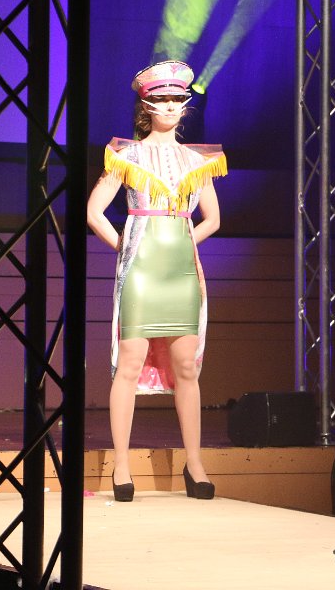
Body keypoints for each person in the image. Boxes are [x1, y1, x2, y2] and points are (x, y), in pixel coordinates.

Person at [87, 61, 227, 501]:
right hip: (142, 273)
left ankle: (195, 464)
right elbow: (94, 212)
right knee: (128, 365)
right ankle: (122, 466)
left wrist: (184, 241)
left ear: (185, 106)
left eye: (176, 99)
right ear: (146, 105)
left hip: (181, 273)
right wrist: (126, 246)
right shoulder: (125, 156)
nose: (169, 106)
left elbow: (212, 219)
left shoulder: (197, 161)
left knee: (187, 367)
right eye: (161, 99)